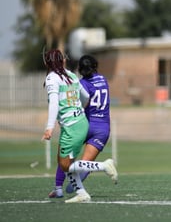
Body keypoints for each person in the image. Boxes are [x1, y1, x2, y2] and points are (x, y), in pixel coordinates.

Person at [42, 49, 118, 203]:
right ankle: (79, 192)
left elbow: (55, 102)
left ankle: (103, 166)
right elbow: (86, 97)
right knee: (67, 160)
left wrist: (49, 127)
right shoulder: (77, 76)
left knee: (66, 163)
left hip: (76, 125)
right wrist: (79, 109)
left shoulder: (55, 78)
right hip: (96, 126)